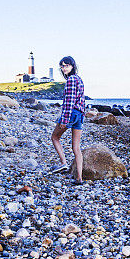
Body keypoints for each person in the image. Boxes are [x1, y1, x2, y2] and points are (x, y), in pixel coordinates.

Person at [48, 56, 85, 185]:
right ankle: (79, 178)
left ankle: (63, 163)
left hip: (71, 113)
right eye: (62, 66)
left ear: (72, 66)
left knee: (55, 137)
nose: (64, 68)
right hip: (79, 115)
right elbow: (82, 100)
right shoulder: (79, 79)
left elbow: (69, 102)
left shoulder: (70, 80)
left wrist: (64, 120)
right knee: (76, 147)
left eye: (66, 65)